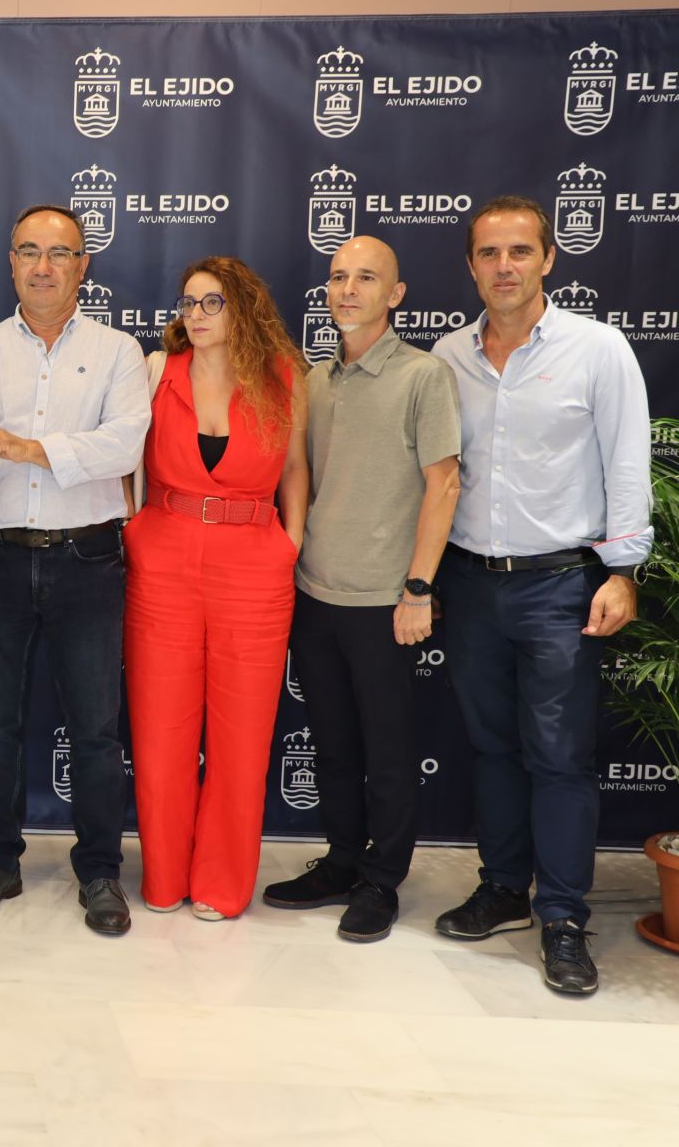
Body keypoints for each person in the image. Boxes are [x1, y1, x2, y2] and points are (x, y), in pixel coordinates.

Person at [431, 195, 652, 995]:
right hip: (470, 581)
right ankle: (503, 888)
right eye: (489, 254)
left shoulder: (597, 349)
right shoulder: (448, 357)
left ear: (549, 259)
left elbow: (627, 459)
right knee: (492, 750)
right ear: (470, 265)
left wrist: (623, 568)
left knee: (559, 760)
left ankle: (562, 917)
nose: (504, 267)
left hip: (562, 585)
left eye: (520, 251)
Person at [0, 204, 148, 934]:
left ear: (84, 265)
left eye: (60, 253)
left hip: (88, 558)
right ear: (11, 262)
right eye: (29, 251)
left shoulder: (119, 352)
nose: (44, 266)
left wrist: (30, 447)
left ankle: (99, 873)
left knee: (95, 729)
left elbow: (123, 447)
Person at [263, 236, 460, 942]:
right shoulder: (314, 381)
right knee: (334, 747)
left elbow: (445, 483)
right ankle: (341, 863)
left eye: (366, 278)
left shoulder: (423, 376)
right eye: (338, 276)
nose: (348, 289)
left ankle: (382, 880)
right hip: (315, 593)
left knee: (387, 753)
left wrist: (417, 588)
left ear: (396, 294)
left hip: (385, 601)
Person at [124, 255, 308, 922]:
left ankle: (222, 886)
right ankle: (166, 878)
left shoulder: (285, 378)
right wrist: (134, 532)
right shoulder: (154, 372)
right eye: (188, 303)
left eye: (211, 303)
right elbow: (126, 462)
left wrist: (289, 543)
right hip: (164, 556)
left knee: (242, 734)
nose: (194, 316)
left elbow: (295, 471)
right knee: (160, 728)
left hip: (254, 563)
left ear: (244, 310)